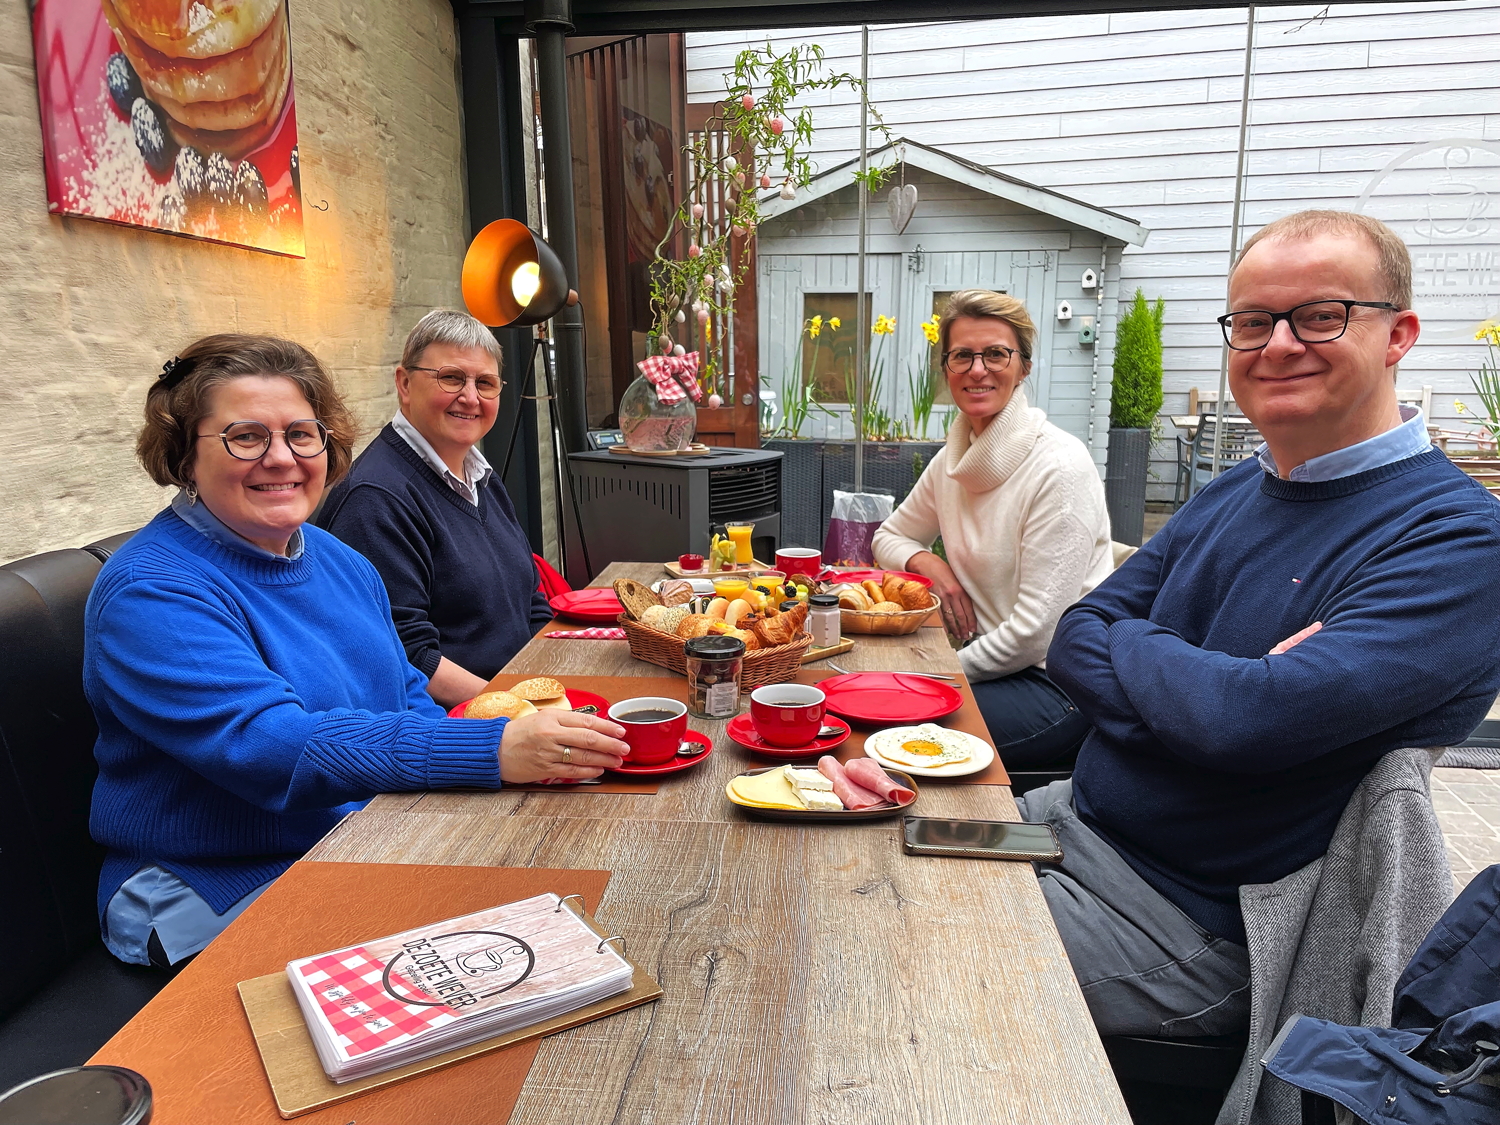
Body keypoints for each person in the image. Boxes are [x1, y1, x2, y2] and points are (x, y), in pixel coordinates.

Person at [1034, 210, 1500, 1040]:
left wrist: (1159, 664)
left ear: (1399, 334)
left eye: (1321, 315)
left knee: (885, 949)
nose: (1278, 344)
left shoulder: (1459, 542)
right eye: (1252, 322)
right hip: (1070, 817)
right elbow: (1075, 633)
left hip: (1188, 927)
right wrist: (1205, 692)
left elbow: (1239, 719)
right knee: (837, 853)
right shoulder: (1233, 489)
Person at [86, 335, 628, 969]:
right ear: (184, 454)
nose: (281, 458)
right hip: (210, 885)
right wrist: (490, 750)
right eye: (245, 437)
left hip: (352, 836)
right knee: (511, 959)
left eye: (301, 434)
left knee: (580, 895)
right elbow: (272, 748)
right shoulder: (152, 591)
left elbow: (404, 694)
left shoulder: (336, 560)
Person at [872, 290, 1112, 769]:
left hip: (1058, 684)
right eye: (962, 355)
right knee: (862, 705)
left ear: (1023, 366)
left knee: (887, 736)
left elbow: (1037, 635)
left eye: (996, 354)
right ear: (946, 369)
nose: (977, 370)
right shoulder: (953, 460)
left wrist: (939, 676)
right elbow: (888, 537)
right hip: (988, 663)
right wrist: (930, 564)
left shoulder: (1059, 466)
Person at [315, 310, 553, 708]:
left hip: (518, 697)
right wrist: (517, 710)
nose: (470, 397)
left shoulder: (481, 475)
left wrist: (554, 681)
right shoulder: (375, 498)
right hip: (459, 730)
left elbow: (531, 601)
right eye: (451, 378)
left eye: (485, 383)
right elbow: (408, 655)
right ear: (404, 383)